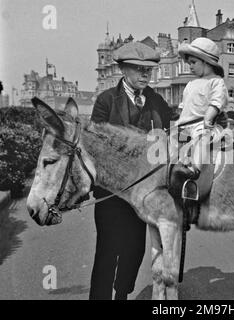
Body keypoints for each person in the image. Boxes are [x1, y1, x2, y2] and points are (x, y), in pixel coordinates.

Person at [89, 41, 173, 300]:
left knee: (134, 250)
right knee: (107, 250)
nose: (145, 74)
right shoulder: (106, 101)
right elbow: (97, 146)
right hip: (111, 193)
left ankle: (122, 294)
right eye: (138, 69)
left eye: (149, 69)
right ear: (124, 70)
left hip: (143, 194)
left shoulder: (158, 102)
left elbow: (167, 139)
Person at [175, 37, 228, 175]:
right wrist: (177, 121)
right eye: (189, 62)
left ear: (206, 62)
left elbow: (216, 102)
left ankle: (194, 168)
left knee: (202, 139)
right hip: (185, 124)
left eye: (193, 62)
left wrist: (208, 118)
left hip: (202, 124)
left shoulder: (216, 82)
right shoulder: (190, 84)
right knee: (168, 139)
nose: (190, 66)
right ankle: (171, 166)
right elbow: (184, 106)